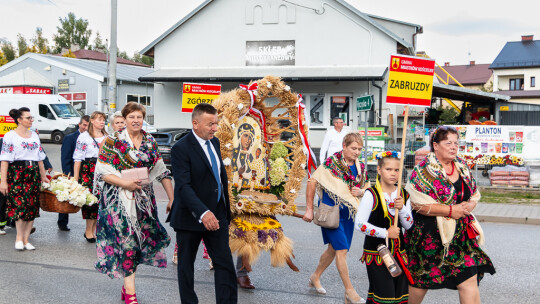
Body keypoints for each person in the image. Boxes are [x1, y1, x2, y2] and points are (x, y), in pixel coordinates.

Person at [405, 126, 495, 304]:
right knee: (420, 283)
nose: (454, 147)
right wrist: (450, 211)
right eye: (449, 143)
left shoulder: (462, 166)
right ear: (436, 145)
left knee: (469, 279)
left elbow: (474, 193)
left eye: (456, 143)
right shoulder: (422, 170)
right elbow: (417, 203)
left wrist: (470, 204)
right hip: (429, 236)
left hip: (460, 237)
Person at [94, 102, 174, 304]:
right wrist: (125, 184)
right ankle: (131, 294)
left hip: (144, 203)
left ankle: (126, 284)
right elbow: (102, 172)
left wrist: (172, 198)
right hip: (118, 201)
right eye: (131, 117)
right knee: (128, 243)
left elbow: (161, 171)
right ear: (125, 119)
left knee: (137, 245)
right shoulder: (113, 141)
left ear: (143, 118)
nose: (136, 120)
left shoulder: (150, 141)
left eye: (139, 117)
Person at [169, 103, 237, 304]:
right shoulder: (180, 148)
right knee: (186, 268)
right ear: (195, 123)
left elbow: (218, 178)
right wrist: (203, 212)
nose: (215, 128)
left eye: (216, 123)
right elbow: (183, 186)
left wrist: (223, 211)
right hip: (191, 216)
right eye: (210, 124)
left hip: (217, 216)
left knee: (224, 264)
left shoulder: (214, 143)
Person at [303, 133, 370, 304]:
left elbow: (367, 190)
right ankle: (349, 291)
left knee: (334, 249)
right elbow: (312, 181)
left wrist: (361, 192)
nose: (356, 152)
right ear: (344, 146)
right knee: (341, 251)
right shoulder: (330, 164)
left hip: (349, 215)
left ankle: (315, 276)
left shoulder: (360, 167)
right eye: (353, 148)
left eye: (359, 149)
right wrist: (310, 209)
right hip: (330, 214)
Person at [354, 151, 414, 304]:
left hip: (399, 254)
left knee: (398, 296)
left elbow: (409, 224)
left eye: (397, 170)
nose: (393, 174)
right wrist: (385, 232)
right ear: (379, 170)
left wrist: (402, 210)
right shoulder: (371, 194)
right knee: (384, 295)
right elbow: (359, 224)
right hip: (377, 254)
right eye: (388, 169)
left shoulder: (403, 194)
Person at [0, 107, 49, 250]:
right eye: (28, 118)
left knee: (32, 206)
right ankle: (19, 238)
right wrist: (3, 181)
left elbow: (40, 158)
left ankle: (27, 239)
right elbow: (4, 160)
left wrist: (43, 175)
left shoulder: (34, 135)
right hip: (17, 172)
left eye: (31, 117)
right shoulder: (10, 136)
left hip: (32, 173)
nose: (31, 120)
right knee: (19, 206)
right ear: (19, 120)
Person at [73, 112, 107, 242]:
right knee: (90, 201)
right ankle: (88, 231)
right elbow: (77, 158)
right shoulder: (84, 137)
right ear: (92, 121)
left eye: (103, 120)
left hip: (103, 169)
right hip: (88, 169)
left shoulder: (107, 136)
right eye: (99, 119)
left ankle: (94, 230)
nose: (102, 122)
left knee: (101, 202)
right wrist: (76, 179)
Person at [58, 115, 90, 231]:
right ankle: (62, 222)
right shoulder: (70, 138)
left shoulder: (92, 138)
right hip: (71, 172)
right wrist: (68, 175)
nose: (86, 128)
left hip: (87, 174)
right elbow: (65, 158)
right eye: (84, 125)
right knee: (66, 197)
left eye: (88, 125)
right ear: (79, 124)